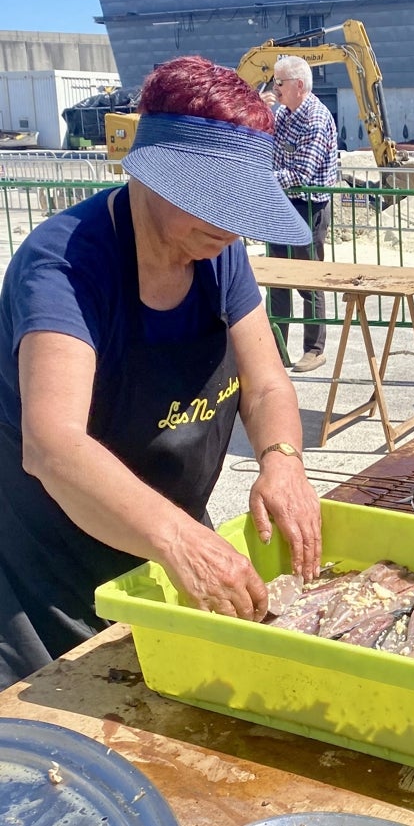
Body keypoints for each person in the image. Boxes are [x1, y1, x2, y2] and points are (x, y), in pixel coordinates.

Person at [0, 55, 324, 689]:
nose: (231, 228)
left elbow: (264, 384)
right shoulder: (65, 264)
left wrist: (283, 459)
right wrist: (178, 539)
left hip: (169, 544)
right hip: (51, 574)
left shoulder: (217, 253)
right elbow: (52, 444)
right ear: (148, 174)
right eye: (212, 202)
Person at [262, 55, 339, 374]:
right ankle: (276, 349)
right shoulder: (283, 114)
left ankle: (314, 349)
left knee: (308, 281)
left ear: (299, 85)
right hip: (283, 203)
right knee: (277, 281)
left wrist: (263, 179)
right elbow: (267, 147)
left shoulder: (316, 117)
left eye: (279, 83)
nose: (274, 88)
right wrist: (262, 113)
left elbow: (302, 172)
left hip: (310, 208)